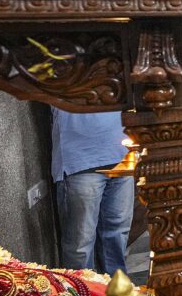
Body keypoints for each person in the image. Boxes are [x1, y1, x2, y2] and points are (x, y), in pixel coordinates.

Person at [51, 109, 134, 275]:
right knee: (80, 244)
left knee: (117, 235)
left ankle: (118, 294)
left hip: (122, 156)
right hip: (80, 160)